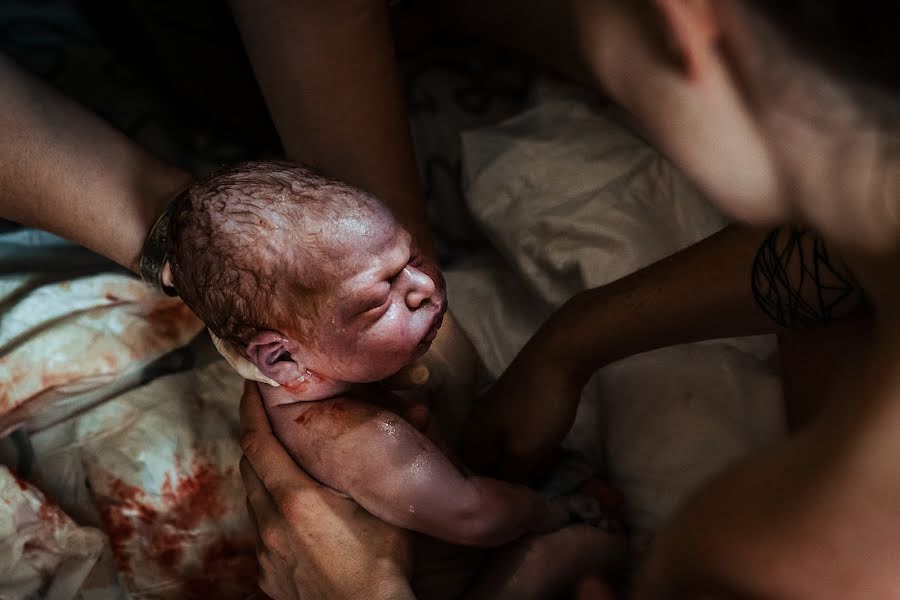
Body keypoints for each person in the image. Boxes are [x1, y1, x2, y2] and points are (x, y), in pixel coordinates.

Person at [237, 0, 900, 598]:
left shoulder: (776, 564)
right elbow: (825, 270)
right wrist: (571, 343)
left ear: (688, 24)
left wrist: (360, 592)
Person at [168, 159, 622, 597]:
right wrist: (545, 511)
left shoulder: (331, 361)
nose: (422, 285)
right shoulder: (352, 434)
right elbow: (475, 517)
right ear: (282, 358)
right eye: (377, 299)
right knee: (583, 547)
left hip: (453, 520)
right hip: (456, 576)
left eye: (413, 255)